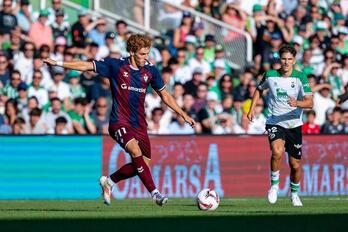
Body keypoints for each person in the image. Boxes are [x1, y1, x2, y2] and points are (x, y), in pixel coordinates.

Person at [43, 34, 196, 206]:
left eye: (148, 54)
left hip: (139, 124)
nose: (146, 58)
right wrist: (58, 63)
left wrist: (183, 114)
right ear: (131, 52)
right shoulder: (115, 65)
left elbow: (165, 95)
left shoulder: (151, 70)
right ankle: (155, 193)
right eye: (142, 54)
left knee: (143, 165)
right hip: (119, 122)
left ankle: (109, 181)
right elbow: (86, 66)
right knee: (135, 152)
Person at [247, 45, 313, 207]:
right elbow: (258, 89)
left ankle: (294, 194)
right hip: (275, 121)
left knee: (295, 165)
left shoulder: (301, 77)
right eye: (283, 59)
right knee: (276, 152)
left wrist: (296, 103)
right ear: (279, 59)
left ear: (294, 60)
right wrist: (252, 108)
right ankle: (274, 186)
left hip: (294, 124)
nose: (286, 62)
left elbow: (310, 102)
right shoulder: (270, 75)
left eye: (289, 59)